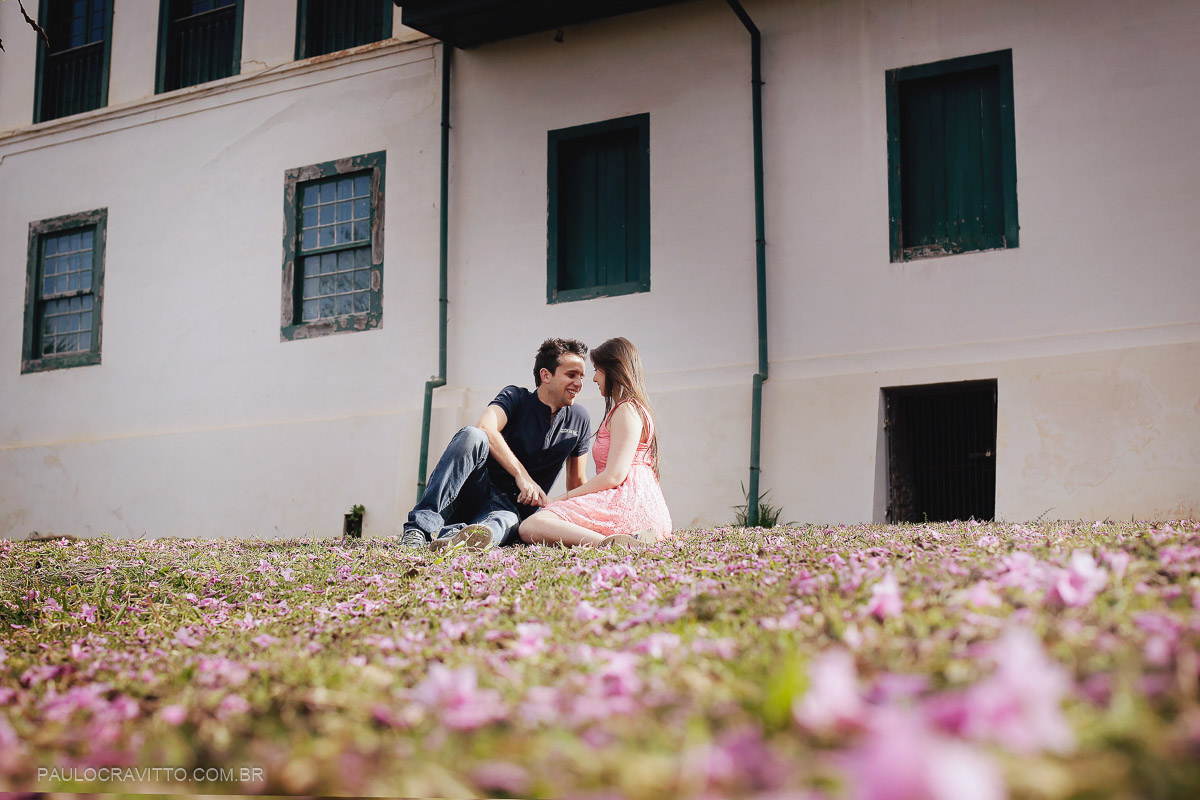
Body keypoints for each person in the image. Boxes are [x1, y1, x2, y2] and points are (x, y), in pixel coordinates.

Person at [400, 338, 592, 551]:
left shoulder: (580, 419)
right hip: (474, 489)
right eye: (571, 375)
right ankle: (418, 529)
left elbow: (576, 483)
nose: (579, 383)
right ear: (546, 375)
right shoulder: (515, 397)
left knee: (502, 524)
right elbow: (486, 427)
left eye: (581, 377)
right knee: (472, 435)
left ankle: (458, 539)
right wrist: (522, 476)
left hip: (511, 510)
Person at [519, 337, 672, 548]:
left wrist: (560, 499)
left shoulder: (627, 410)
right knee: (540, 523)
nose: (593, 379)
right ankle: (619, 542)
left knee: (531, 526)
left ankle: (609, 544)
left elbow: (614, 475)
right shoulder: (632, 409)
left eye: (596, 370)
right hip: (642, 507)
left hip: (629, 504)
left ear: (613, 371)